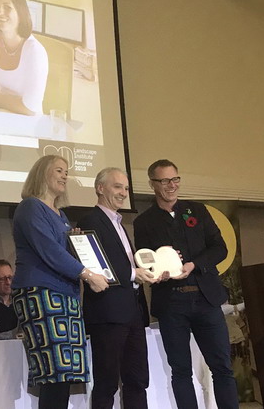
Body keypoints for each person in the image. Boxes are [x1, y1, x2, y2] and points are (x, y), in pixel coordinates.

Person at [133, 159, 239, 409]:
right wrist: (158, 272)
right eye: (165, 181)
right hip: (172, 302)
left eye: (175, 179)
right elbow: (146, 258)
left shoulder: (197, 210)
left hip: (206, 299)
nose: (172, 185)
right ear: (152, 184)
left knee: (222, 367)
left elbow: (219, 248)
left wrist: (194, 264)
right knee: (180, 371)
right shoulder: (144, 222)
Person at [11, 155, 109, 409]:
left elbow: (62, 251)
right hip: (41, 293)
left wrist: (74, 243)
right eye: (59, 170)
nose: (65, 176)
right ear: (42, 173)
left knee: (64, 374)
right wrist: (89, 275)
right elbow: (49, 251)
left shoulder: (61, 215)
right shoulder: (31, 207)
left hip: (66, 296)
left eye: (66, 171)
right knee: (54, 373)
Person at [77, 167, 155, 409]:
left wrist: (153, 269)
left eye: (126, 188)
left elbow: (124, 264)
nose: (123, 193)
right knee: (107, 383)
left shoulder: (119, 223)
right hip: (108, 314)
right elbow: (96, 266)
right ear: (100, 188)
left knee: (138, 379)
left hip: (132, 311)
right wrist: (134, 273)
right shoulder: (91, 220)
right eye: (117, 187)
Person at [0, 0, 48, 115]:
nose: (0, 12)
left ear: (20, 12)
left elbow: (30, 108)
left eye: (7, 7)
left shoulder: (35, 51)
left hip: (27, 122)